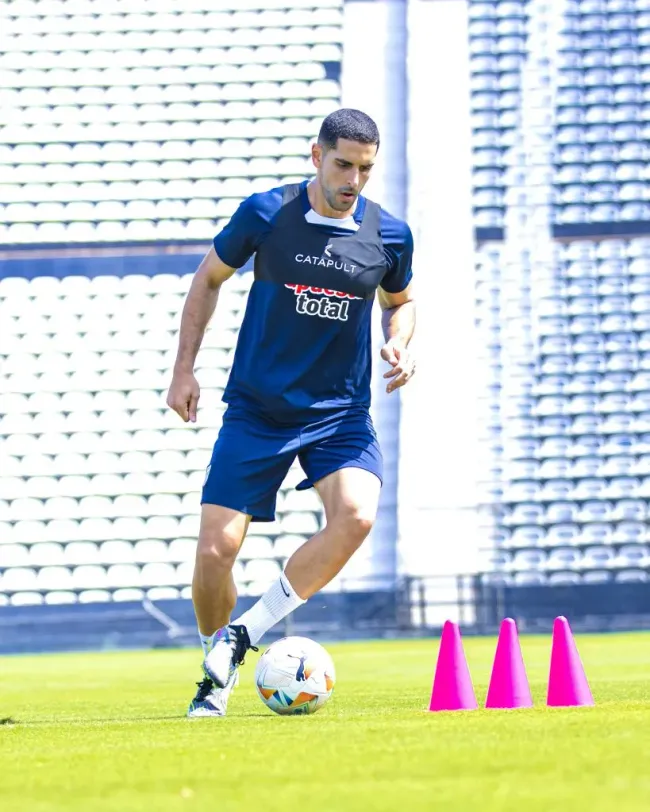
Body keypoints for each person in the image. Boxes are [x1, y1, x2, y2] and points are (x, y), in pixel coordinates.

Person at [166, 108, 416, 717]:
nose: (353, 180)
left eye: (364, 168)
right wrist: (183, 368)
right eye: (343, 165)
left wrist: (401, 341)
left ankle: (244, 636)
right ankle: (214, 659)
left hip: (339, 414)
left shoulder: (390, 234)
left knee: (356, 516)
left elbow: (401, 302)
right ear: (316, 155)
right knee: (214, 554)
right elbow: (208, 280)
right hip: (258, 408)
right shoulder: (265, 213)